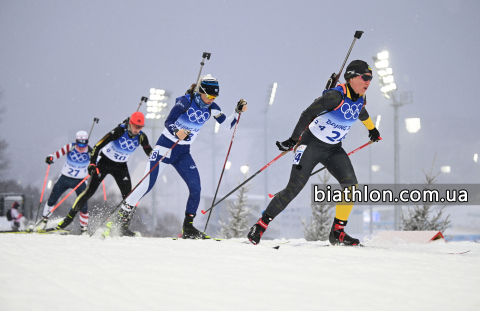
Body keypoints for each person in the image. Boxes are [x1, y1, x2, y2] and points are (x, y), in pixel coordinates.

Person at [247, 60, 381, 246]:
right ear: (350, 77)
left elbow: (361, 112)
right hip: (311, 144)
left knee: (351, 186)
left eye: (370, 79)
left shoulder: (361, 98)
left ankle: (337, 233)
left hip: (333, 148)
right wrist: (293, 140)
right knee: (294, 188)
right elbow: (307, 114)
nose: (368, 82)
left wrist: (372, 129)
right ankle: (260, 225)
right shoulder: (335, 96)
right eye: (364, 77)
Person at [104, 75, 248, 239]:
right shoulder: (185, 102)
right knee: (145, 186)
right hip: (165, 148)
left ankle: (188, 229)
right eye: (208, 95)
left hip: (183, 153)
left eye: (214, 97)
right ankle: (119, 222)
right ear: (200, 92)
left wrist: (237, 112)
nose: (211, 99)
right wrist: (176, 131)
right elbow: (169, 121)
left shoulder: (212, 108)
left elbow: (228, 125)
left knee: (196, 189)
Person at [55, 112, 153, 236]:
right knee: (89, 192)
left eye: (141, 127)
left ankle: (123, 228)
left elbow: (149, 151)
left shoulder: (141, 137)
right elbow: (97, 146)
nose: (138, 130)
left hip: (121, 166)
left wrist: (157, 158)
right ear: (130, 124)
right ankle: (67, 220)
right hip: (105, 163)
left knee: (130, 197)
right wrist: (92, 164)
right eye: (136, 127)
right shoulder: (118, 131)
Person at [36, 131, 92, 233]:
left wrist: (96, 169)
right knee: (52, 199)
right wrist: (50, 157)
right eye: (79, 143)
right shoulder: (70, 147)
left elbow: (96, 164)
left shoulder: (90, 151)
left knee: (83, 205)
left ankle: (84, 229)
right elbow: (57, 154)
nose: (81, 146)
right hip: (65, 178)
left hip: (80, 181)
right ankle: (43, 221)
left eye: (84, 143)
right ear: (76, 141)